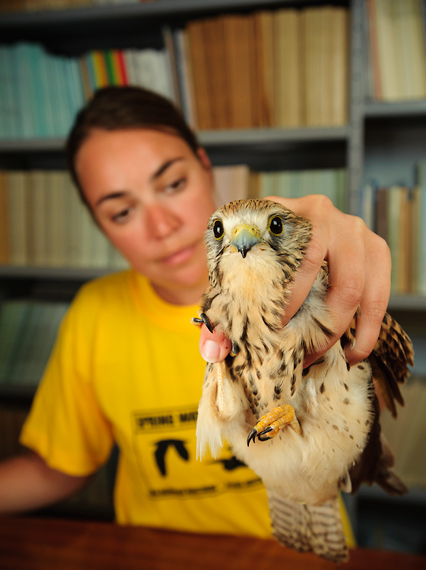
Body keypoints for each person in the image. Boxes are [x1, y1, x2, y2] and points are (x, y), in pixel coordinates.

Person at [0, 87, 391, 543]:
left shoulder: (306, 288)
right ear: (100, 224)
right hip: (157, 568)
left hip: (296, 560)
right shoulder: (95, 313)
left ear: (205, 169)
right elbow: (59, 468)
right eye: (123, 211)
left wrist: (342, 289)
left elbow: (358, 428)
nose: (162, 226)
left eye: (172, 184)